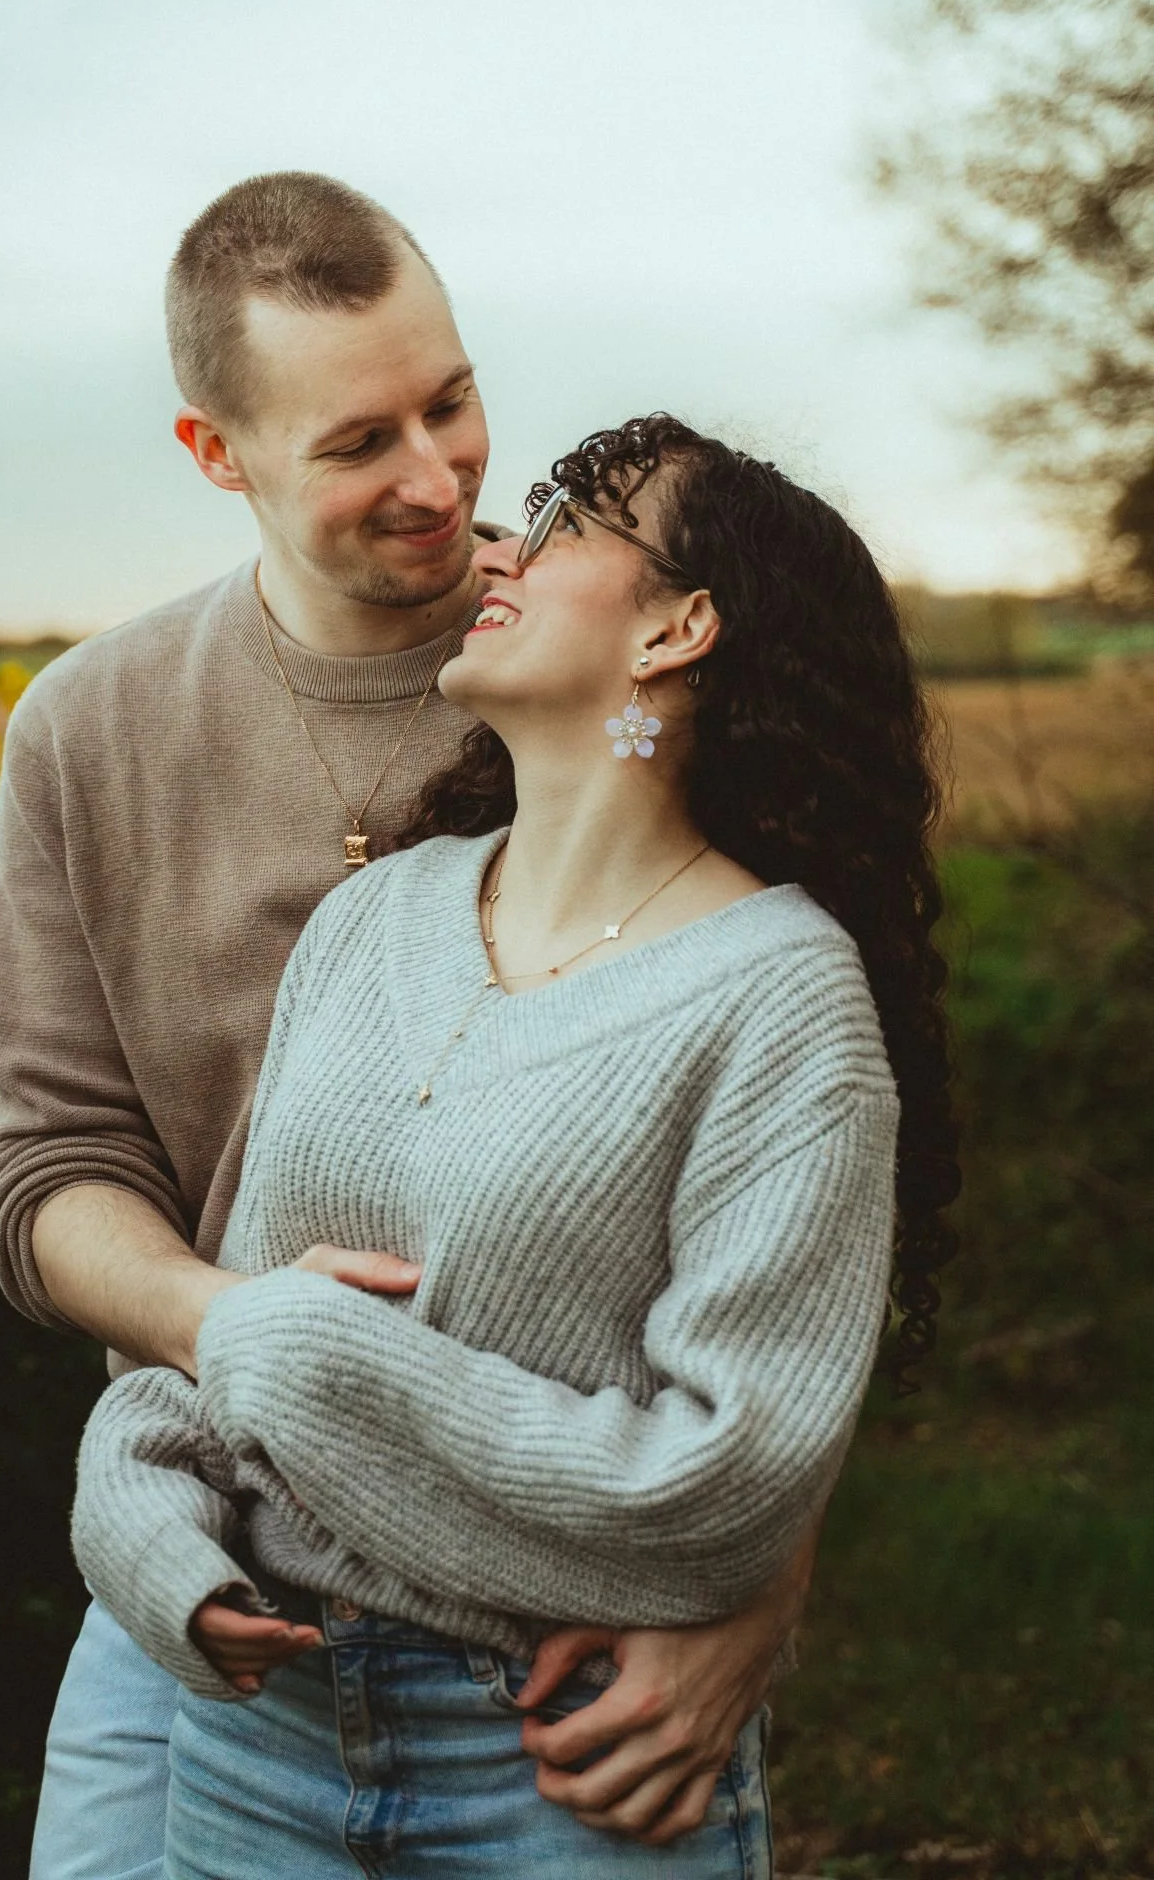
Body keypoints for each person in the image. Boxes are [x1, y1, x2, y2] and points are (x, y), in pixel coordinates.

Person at [0, 178, 823, 1878]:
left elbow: (797, 1156)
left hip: (548, 1595)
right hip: (208, 1546)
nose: (440, 482)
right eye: (360, 442)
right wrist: (239, 1329)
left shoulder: (610, 670)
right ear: (218, 454)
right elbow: (50, 1168)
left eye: (451, 402)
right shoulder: (88, 729)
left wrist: (756, 1583)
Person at [70, 413, 961, 1877]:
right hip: (256, 1737)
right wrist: (151, 1526)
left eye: (563, 531)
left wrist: (291, 1351)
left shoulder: (781, 995)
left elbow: (730, 1487)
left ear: (678, 627)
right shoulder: (373, 917)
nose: (499, 554)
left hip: (560, 1767)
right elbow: (217, 1336)